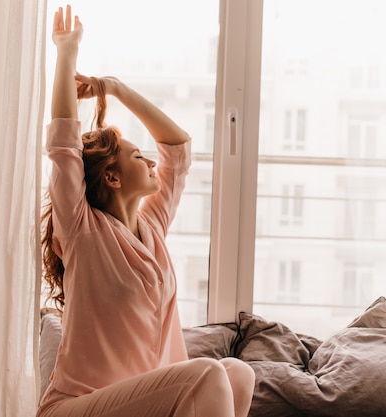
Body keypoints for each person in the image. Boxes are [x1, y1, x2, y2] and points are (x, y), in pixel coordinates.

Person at [37, 5, 255, 417]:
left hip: (146, 402)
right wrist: (67, 54)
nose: (152, 163)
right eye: (139, 156)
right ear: (113, 178)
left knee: (237, 373)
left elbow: (179, 150)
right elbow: (64, 146)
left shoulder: (152, 225)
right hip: (79, 405)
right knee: (207, 372)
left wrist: (116, 88)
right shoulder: (82, 229)